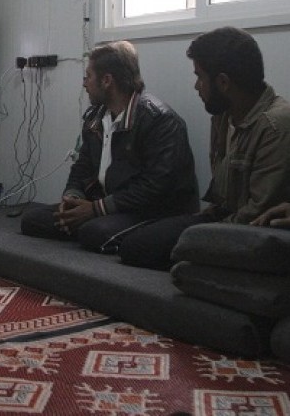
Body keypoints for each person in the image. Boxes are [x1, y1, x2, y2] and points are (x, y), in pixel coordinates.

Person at [117, 26, 290, 269]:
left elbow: (256, 214)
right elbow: (222, 195)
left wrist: (202, 234)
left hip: (252, 231)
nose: (196, 86)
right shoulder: (223, 114)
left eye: (199, 76)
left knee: (152, 249)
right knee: (136, 244)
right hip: (223, 216)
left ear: (223, 82)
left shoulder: (275, 126)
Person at [21, 40, 199, 254]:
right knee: (33, 220)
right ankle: (86, 224)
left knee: (93, 232)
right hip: (109, 206)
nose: (84, 84)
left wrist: (95, 209)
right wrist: (73, 200)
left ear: (107, 81)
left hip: (152, 211)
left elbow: (155, 187)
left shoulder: (160, 120)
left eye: (88, 77)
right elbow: (82, 167)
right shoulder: (95, 117)